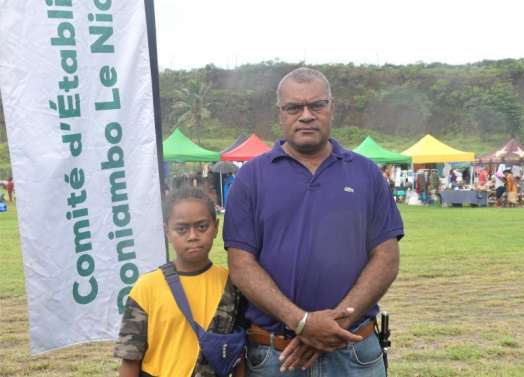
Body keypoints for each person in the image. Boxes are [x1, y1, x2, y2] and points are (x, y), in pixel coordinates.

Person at [224, 67, 404, 377]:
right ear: (280, 113)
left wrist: (331, 329)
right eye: (294, 107)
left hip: (352, 353)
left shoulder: (366, 174)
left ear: (332, 108)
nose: (306, 115)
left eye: (317, 105)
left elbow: (386, 258)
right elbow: (241, 264)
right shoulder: (251, 177)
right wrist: (302, 322)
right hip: (275, 356)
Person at [114, 187, 242, 377]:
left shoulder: (232, 284)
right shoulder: (147, 287)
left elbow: (239, 353)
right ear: (167, 231)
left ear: (215, 228)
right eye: (181, 229)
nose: (192, 236)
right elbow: (130, 358)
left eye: (201, 226)